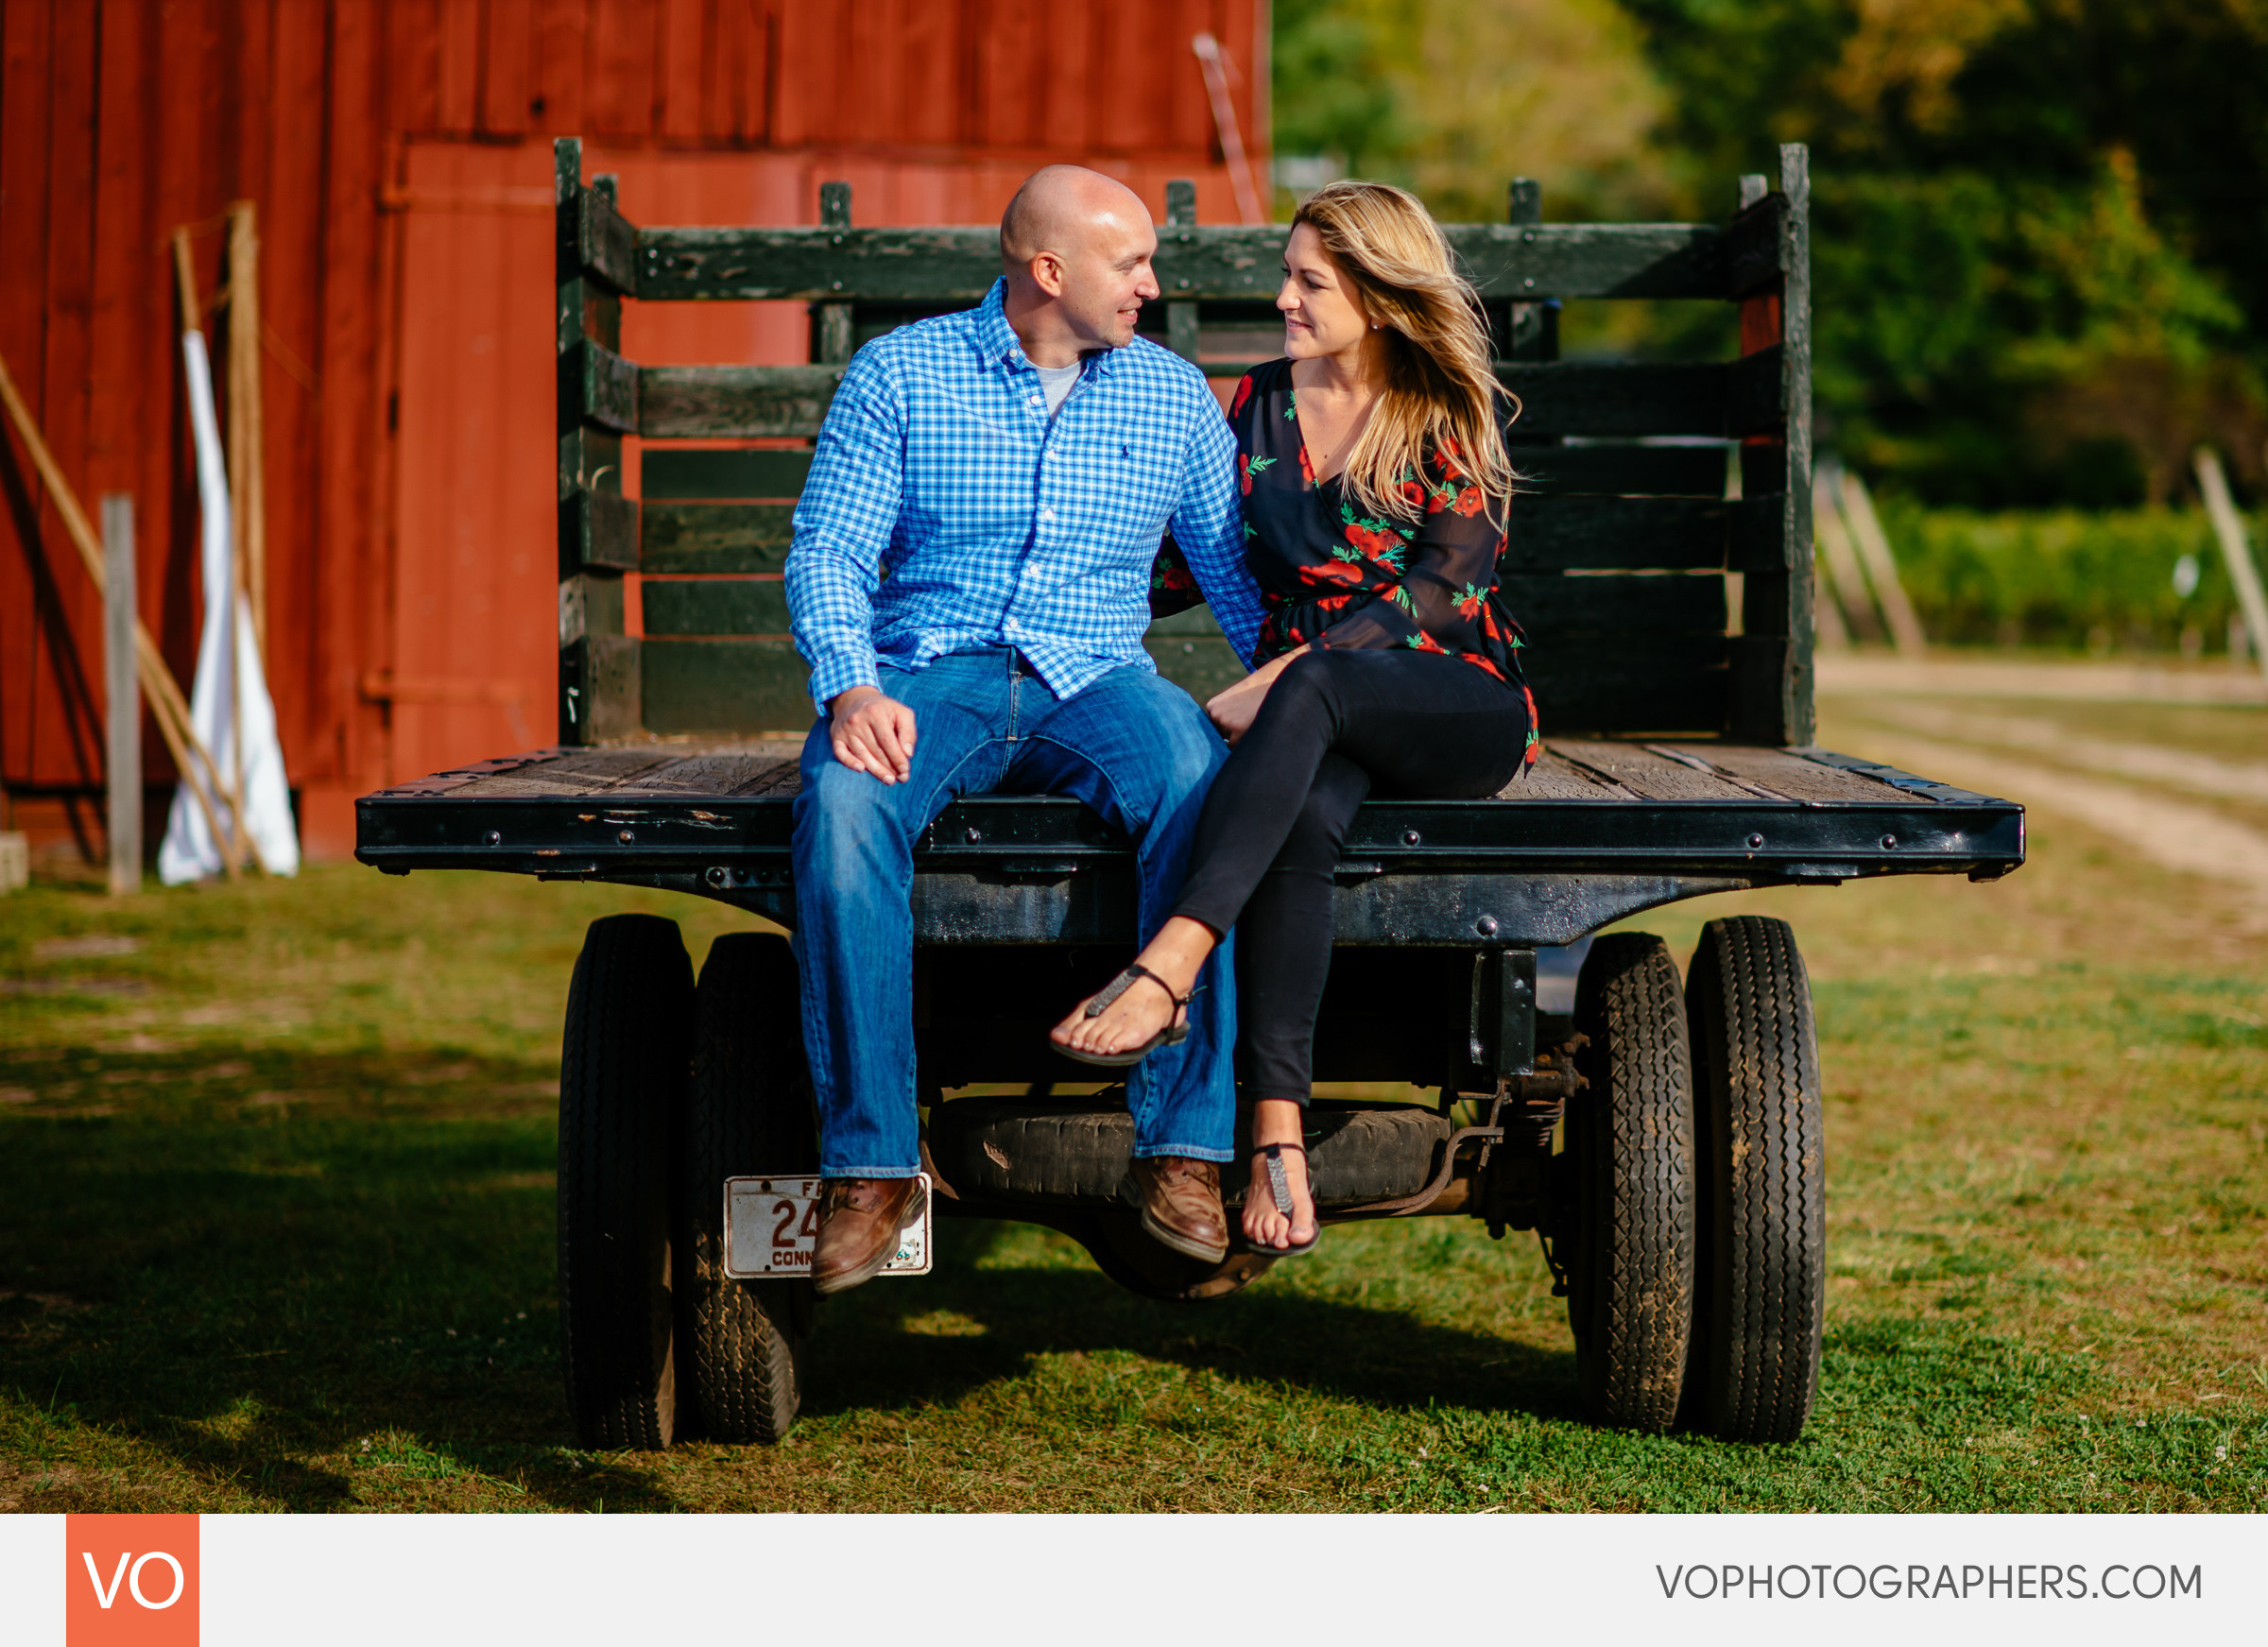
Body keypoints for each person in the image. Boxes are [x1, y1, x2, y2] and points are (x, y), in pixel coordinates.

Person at [787, 165, 1271, 1295]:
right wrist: (850, 688)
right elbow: (831, 550)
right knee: (844, 806)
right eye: (1132, 263)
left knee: (1207, 786)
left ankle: (1183, 1156)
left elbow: (1239, 583)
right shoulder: (902, 374)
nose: (1152, 284)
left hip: (1099, 677)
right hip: (929, 675)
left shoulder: (1171, 397)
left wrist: (1304, 700)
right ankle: (870, 1171)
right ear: (1050, 272)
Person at [1051, 180, 1539, 1255]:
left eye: (1310, 281)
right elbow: (1189, 553)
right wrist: (1053, 607)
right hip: (1312, 725)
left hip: (1450, 702)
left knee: (1307, 686)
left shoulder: (1444, 409)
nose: (1284, 299)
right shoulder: (1254, 408)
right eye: (1288, 275)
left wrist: (1283, 678)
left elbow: (1443, 596)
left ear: (1377, 292)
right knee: (1303, 814)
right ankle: (1277, 1129)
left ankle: (1171, 962)